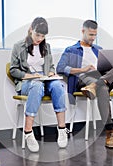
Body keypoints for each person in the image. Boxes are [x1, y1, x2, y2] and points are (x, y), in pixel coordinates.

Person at [56, 20, 113, 149]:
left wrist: (109, 70)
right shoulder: (71, 49)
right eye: (90, 35)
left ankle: (97, 85)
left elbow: (108, 67)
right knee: (102, 88)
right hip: (83, 79)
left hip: (103, 78)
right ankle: (109, 132)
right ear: (83, 31)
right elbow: (60, 68)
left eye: (95, 35)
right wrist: (82, 70)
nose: (93, 38)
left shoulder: (99, 49)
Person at [9, 17, 68, 152]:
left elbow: (51, 66)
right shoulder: (18, 46)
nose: (39, 38)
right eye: (37, 34)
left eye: (42, 36)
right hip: (27, 82)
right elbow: (13, 70)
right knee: (36, 85)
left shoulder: (46, 47)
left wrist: (52, 73)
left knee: (58, 85)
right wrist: (31, 76)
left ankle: (62, 129)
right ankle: (28, 132)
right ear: (31, 30)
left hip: (45, 79)